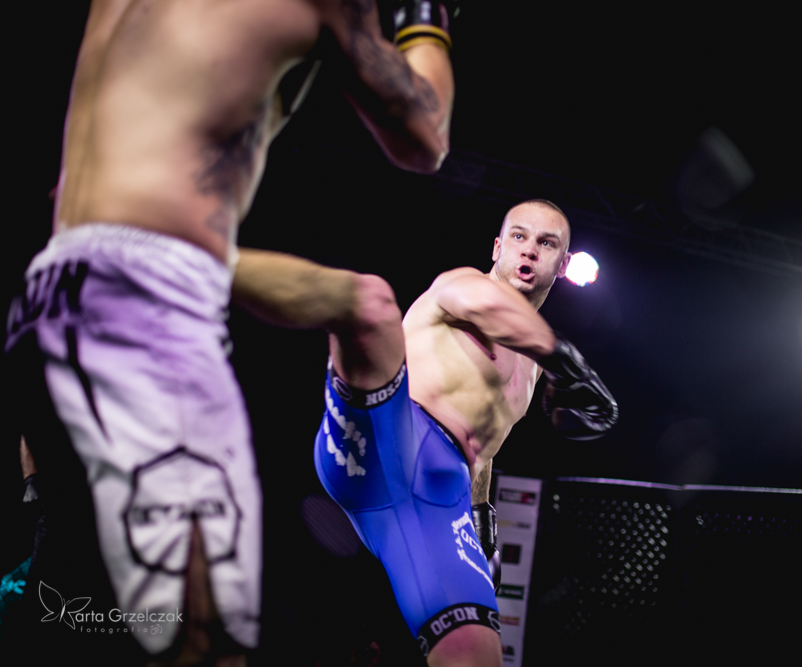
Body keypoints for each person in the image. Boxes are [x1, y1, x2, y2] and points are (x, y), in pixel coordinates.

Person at [4, 1, 457, 664]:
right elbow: (425, 136)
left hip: (48, 290)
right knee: (204, 637)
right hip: (145, 306)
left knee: (75, 604)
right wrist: (426, 18)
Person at [231, 199, 618, 665]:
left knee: (474, 656)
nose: (530, 249)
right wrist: (566, 360)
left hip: (434, 502)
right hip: (383, 439)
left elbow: (484, 447)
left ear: (563, 264)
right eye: (519, 236)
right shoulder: (464, 286)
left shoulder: (534, 369)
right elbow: (489, 307)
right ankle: (200, 262)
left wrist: (481, 519)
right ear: (497, 247)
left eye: (546, 243)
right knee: (369, 302)